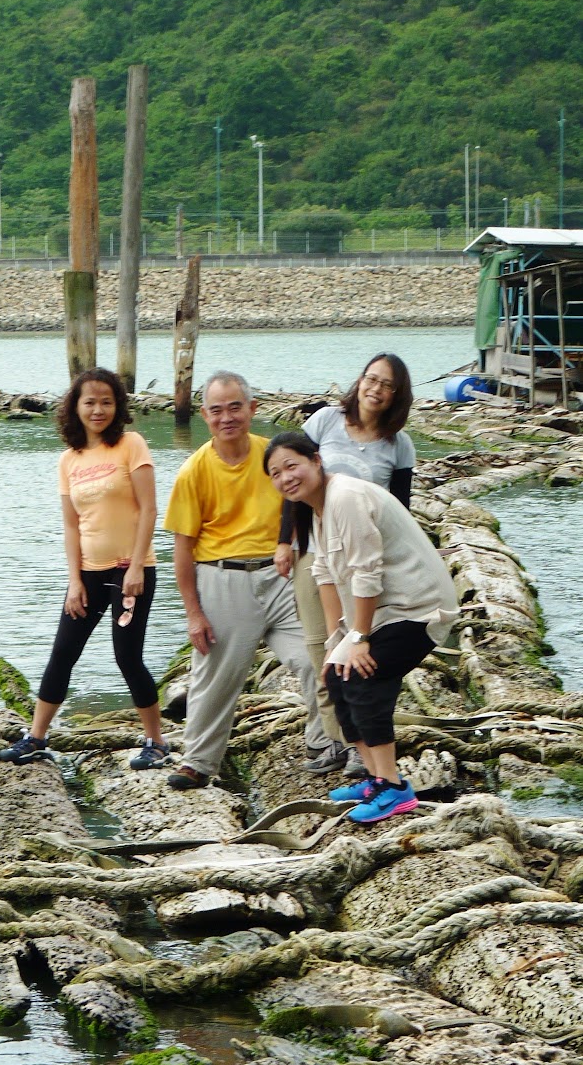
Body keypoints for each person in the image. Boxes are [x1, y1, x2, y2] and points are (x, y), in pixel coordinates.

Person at [265, 430, 459, 825]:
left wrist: (359, 637)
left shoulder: (346, 498)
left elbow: (366, 574)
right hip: (384, 611)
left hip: (417, 609)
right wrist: (337, 639)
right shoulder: (316, 508)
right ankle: (374, 778)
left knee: (361, 678)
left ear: (316, 460)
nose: (285, 478)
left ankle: (394, 789)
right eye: (275, 473)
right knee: (336, 676)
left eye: (291, 466)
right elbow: (324, 574)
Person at [0, 367, 169, 771]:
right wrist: (74, 581)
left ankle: (157, 742)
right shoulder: (68, 460)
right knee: (63, 653)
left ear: (117, 406)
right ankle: (36, 738)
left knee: (127, 657)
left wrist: (137, 567)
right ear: (75, 407)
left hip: (130, 570)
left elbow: (149, 509)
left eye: (106, 402)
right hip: (88, 572)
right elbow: (72, 525)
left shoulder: (131, 444)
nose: (98, 410)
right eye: (89, 402)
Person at [162, 371, 322, 791]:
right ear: (204, 415)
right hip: (223, 578)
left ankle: (327, 745)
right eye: (217, 410)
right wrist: (193, 613)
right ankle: (198, 762)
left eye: (235, 407)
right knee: (216, 676)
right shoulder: (194, 471)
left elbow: (302, 503)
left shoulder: (273, 457)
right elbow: (182, 549)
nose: (227, 417)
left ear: (252, 409)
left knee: (316, 658)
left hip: (281, 573)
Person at [275, 353, 416, 778]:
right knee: (320, 646)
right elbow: (292, 480)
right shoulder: (325, 421)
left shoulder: (399, 445)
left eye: (387, 384)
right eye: (371, 379)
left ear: (397, 395)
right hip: (314, 551)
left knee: (359, 648)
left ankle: (363, 748)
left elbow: (400, 510)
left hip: (362, 560)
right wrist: (284, 541)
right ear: (359, 381)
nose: (376, 389)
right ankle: (334, 739)